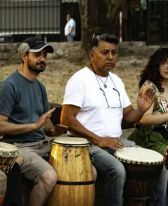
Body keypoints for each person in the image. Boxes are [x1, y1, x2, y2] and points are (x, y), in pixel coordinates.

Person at [60, 33, 155, 206]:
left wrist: (141, 110)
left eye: (114, 52)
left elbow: (128, 116)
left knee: (156, 164)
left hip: (114, 142)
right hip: (86, 144)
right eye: (105, 52)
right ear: (92, 54)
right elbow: (66, 118)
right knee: (116, 169)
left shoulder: (116, 81)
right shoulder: (79, 80)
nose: (110, 57)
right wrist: (98, 140)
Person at [0, 37, 67, 206]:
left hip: (43, 143)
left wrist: (55, 130)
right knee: (49, 177)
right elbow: (1, 126)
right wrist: (34, 125)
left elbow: (46, 126)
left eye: (45, 54)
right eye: (37, 54)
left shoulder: (40, 87)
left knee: (88, 171)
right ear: (24, 56)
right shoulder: (9, 86)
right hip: (20, 147)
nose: (43, 59)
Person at [128, 47, 168, 205]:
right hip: (149, 137)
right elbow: (143, 119)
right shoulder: (150, 87)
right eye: (164, 63)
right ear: (156, 65)